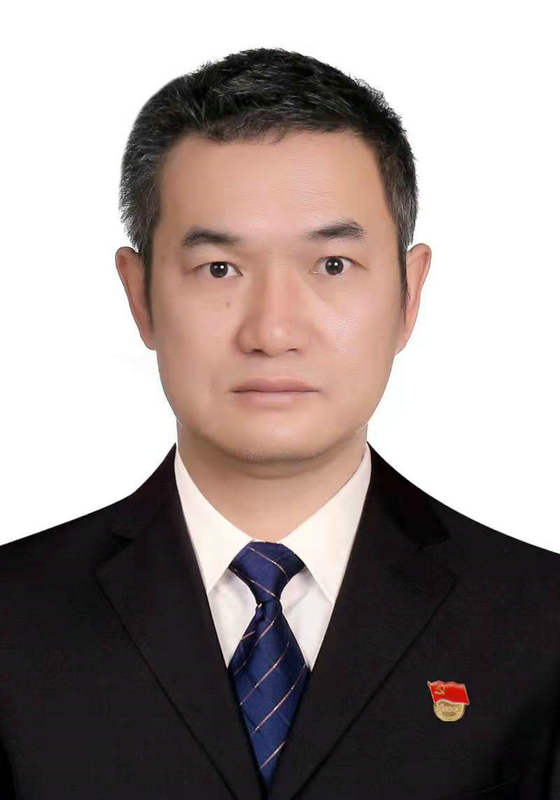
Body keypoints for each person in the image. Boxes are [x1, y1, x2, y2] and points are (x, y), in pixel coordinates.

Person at [1, 47, 558, 800]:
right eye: (219, 269)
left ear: (409, 293)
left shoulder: (540, 625)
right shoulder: (13, 620)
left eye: (331, 265)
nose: (271, 331)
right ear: (140, 297)